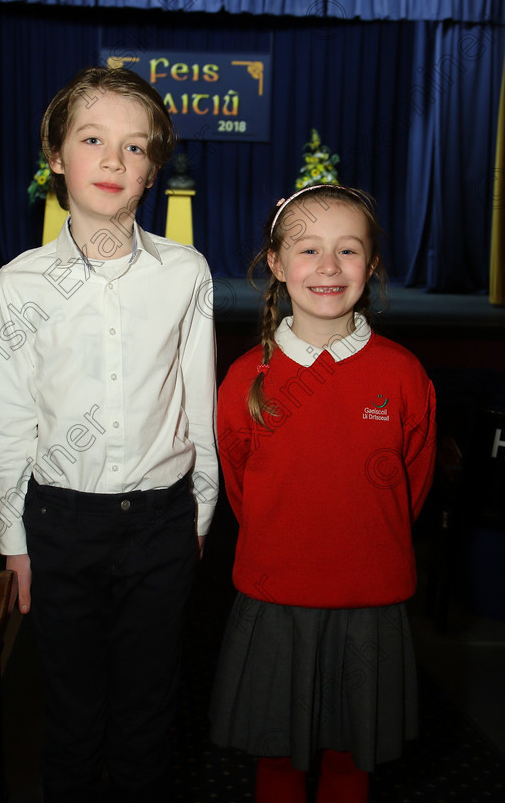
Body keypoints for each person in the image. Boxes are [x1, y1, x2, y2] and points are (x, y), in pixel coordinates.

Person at [0, 66, 218, 803]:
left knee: (150, 719)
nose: (115, 161)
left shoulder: (184, 274)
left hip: (160, 523)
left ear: (153, 168)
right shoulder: (21, 283)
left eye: (136, 147)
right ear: (56, 155)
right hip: (61, 522)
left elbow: (196, 405)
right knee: (73, 720)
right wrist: (15, 541)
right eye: (93, 140)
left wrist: (199, 516)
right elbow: (8, 416)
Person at [210, 184, 436, 803]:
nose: (329, 268)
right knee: (276, 759)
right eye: (309, 250)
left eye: (348, 250)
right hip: (276, 600)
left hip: (370, 601)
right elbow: (240, 488)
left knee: (349, 761)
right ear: (278, 267)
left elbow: (409, 488)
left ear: (372, 265)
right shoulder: (242, 381)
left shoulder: (402, 373)